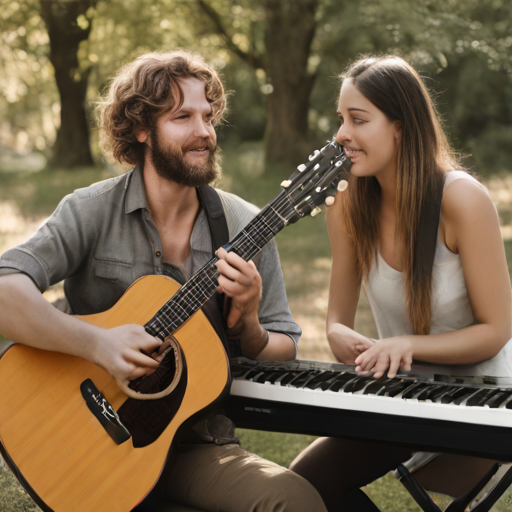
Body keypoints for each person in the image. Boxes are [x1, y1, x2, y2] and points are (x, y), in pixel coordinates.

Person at [0, 50, 327, 512]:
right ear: (141, 129)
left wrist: (250, 322)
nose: (204, 133)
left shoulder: (244, 226)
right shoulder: (91, 210)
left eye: (207, 117)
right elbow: (5, 287)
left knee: (295, 501)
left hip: (197, 445)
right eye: (182, 117)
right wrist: (98, 344)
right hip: (91, 439)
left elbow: (286, 346)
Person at [289, 55, 512, 511]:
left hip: (489, 402)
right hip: (405, 398)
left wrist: (406, 345)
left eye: (358, 119)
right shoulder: (347, 203)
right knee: (298, 488)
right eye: (340, 120)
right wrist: (344, 338)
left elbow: (497, 331)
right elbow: (335, 323)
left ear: (401, 127)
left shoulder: (461, 199)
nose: (341, 135)